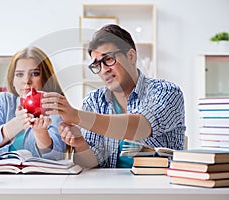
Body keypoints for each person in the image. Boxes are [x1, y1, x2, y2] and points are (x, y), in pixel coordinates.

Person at [41, 24, 186, 168]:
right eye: (97, 65)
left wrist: (76, 115)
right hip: (110, 187)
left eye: (108, 59)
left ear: (131, 56)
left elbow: (141, 126)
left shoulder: (167, 92)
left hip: (160, 187)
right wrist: (80, 143)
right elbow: (89, 163)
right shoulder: (94, 102)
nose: (103, 70)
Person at [0, 46, 68, 160]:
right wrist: (17, 124)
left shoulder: (54, 107)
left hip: (41, 177)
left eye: (34, 74)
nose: (26, 81)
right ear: (13, 80)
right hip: (3, 176)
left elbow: (57, 157)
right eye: (19, 74)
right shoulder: (0, 102)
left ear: (45, 78)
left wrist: (40, 132)